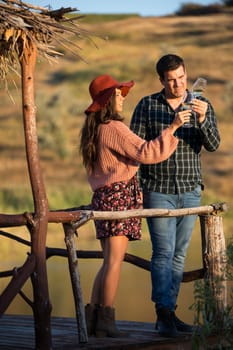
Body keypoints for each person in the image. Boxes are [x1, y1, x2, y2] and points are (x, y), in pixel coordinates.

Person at [80, 74, 186, 338]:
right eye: (117, 95)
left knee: (107, 262)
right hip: (118, 199)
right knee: (115, 262)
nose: (122, 100)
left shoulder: (95, 130)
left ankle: (93, 321)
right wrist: (172, 128)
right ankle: (106, 322)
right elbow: (146, 152)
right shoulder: (113, 128)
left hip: (105, 198)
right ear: (106, 101)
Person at [130, 54, 220, 338]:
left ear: (186, 74)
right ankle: (164, 313)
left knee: (179, 255)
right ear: (161, 80)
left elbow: (214, 144)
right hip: (158, 189)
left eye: (181, 77)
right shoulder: (147, 105)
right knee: (163, 253)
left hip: (191, 190)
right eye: (171, 80)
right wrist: (173, 126)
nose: (178, 84)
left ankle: (170, 312)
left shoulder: (200, 104)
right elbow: (136, 147)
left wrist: (203, 119)